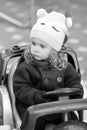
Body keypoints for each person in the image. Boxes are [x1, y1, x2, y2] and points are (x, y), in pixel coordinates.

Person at [13, 8, 84, 130]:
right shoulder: (25, 67)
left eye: (42, 46)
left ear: (53, 50)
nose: (35, 49)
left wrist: (71, 95)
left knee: (73, 122)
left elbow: (76, 86)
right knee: (35, 123)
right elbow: (21, 89)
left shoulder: (65, 67)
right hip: (33, 106)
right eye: (33, 44)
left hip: (58, 107)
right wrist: (39, 96)